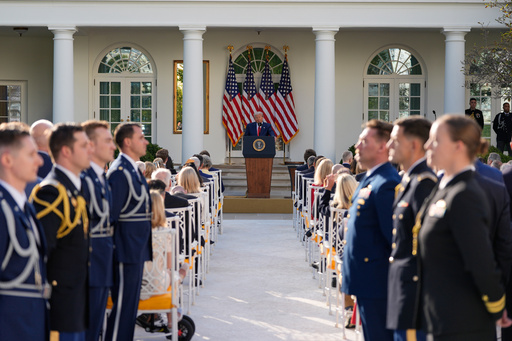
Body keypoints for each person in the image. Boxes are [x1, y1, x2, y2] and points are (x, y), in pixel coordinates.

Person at [419, 115, 510, 340]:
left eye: (435, 140)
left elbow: (481, 259)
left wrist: (496, 304)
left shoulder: (464, 194)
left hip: (462, 322)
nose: (427, 146)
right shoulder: (443, 188)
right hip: (442, 316)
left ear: (458, 147)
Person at [342, 119, 401, 341]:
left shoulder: (386, 183)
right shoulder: (371, 179)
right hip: (367, 282)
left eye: (363, 141)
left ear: (382, 146)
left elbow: (394, 238)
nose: (356, 146)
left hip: (378, 284)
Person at [31, 123, 91, 341]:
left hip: (75, 299)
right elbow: (40, 254)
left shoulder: (73, 187)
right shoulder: (51, 192)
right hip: (60, 303)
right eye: (84, 146)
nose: (90, 150)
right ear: (66, 151)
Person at [385, 117, 436, 341]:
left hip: (415, 296)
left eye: (394, 141)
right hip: (403, 290)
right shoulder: (409, 180)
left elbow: (430, 249)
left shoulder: (424, 183)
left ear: (414, 145)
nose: (388, 146)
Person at [0, 122, 48, 341]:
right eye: (31, 154)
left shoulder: (24, 205)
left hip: (31, 324)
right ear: (7, 159)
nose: (39, 160)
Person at [105, 123, 152, 341]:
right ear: (127, 142)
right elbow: (111, 217)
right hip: (124, 249)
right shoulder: (119, 173)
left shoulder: (130, 168)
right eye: (141, 137)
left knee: (130, 310)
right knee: (123, 308)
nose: (146, 141)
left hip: (134, 249)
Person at [80, 120, 116, 341]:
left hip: (103, 266)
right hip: (89, 268)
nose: (113, 146)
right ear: (91, 146)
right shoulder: (83, 179)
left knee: (95, 329)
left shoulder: (100, 177)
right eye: (108, 141)